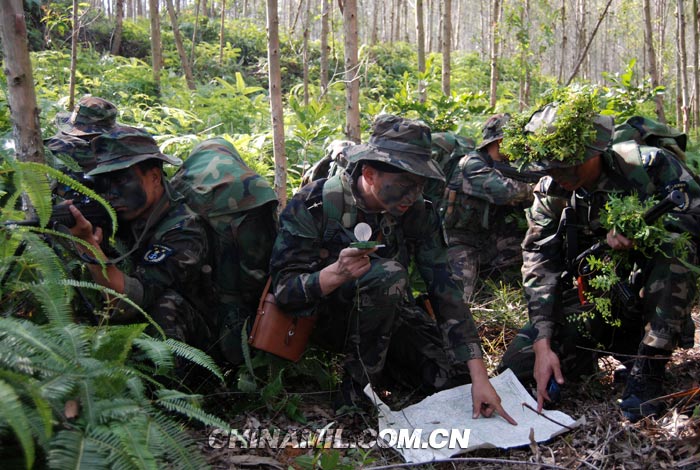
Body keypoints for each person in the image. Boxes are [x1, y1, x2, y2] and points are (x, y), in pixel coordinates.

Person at [269, 114, 517, 423]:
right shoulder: (313, 204)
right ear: (370, 174)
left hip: (386, 317)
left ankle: (387, 367)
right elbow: (284, 292)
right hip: (325, 320)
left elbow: (444, 289)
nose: (412, 195)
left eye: (420, 185)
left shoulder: (417, 212)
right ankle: (355, 396)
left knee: (454, 378)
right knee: (387, 275)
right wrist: (335, 274)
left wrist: (479, 374)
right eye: (403, 185)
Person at [499, 104, 700, 422]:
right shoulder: (552, 191)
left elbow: (694, 216)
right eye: (551, 169)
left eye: (568, 168)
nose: (560, 177)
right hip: (586, 299)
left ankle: (648, 368)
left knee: (674, 250)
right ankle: (585, 360)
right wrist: (542, 342)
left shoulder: (646, 165)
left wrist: (645, 233)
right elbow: (538, 259)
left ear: (595, 151)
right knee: (514, 375)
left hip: (646, 299)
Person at [67, 127, 215, 354]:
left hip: (195, 342)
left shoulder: (184, 230)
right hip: (130, 329)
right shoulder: (121, 215)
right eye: (104, 184)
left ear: (155, 177)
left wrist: (89, 246)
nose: (111, 194)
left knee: (164, 306)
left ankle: (172, 385)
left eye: (122, 180)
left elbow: (127, 302)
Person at [440, 114, 534, 301]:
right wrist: (537, 188)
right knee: (460, 299)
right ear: (501, 141)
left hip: (490, 239)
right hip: (460, 240)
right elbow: (506, 191)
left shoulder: (506, 166)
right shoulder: (472, 165)